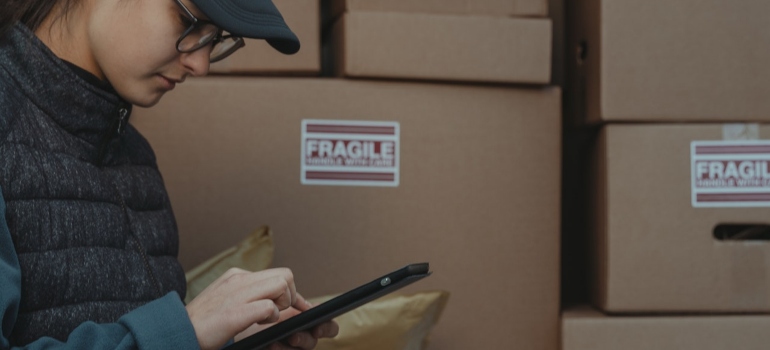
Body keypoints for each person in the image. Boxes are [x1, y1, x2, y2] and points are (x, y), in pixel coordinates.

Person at [0, 0, 338, 349]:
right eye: (188, 22)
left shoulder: (135, 158)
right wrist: (186, 328)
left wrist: (227, 337)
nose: (201, 64)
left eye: (215, 38)